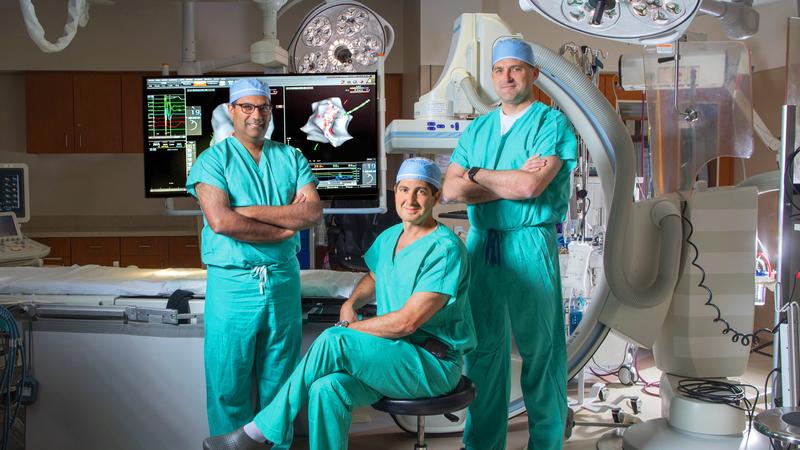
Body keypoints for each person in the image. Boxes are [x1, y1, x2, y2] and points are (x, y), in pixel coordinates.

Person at [202, 157, 476, 450]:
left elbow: (406, 322)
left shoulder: (445, 250)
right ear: (395, 192)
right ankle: (269, 430)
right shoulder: (390, 236)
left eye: (421, 191)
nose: (410, 199)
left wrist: (352, 329)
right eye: (404, 189)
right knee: (325, 388)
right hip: (392, 355)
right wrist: (352, 303)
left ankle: (262, 430)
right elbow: (374, 274)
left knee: (336, 339)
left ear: (435, 196)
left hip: (431, 363)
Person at [441, 37, 578, 450]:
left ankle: (546, 442)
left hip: (530, 242)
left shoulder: (551, 124)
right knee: (481, 353)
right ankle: (482, 444)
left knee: (542, 352)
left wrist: (477, 174)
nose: (506, 77)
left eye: (516, 68)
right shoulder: (479, 127)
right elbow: (450, 190)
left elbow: (531, 186)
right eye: (499, 70)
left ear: (533, 74)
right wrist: (506, 178)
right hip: (481, 245)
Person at [186, 78, 322, 449]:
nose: (255, 115)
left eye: (262, 108)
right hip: (233, 285)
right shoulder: (212, 161)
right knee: (228, 383)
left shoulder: (290, 157)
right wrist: (281, 227)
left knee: (282, 382)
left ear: (270, 112)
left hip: (281, 281)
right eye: (246, 107)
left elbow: (311, 212)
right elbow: (221, 222)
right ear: (232, 111)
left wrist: (248, 212)